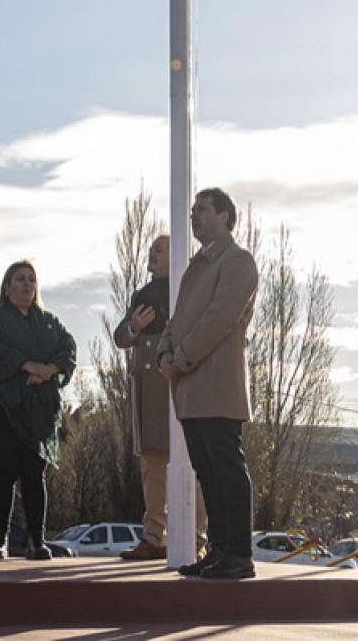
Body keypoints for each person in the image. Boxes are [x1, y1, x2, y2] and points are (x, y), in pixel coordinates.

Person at [159, 187, 259, 580]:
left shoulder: (237, 261)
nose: (194, 216)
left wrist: (180, 358)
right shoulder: (195, 267)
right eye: (193, 210)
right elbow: (177, 318)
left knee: (227, 468)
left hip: (216, 385)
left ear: (225, 217)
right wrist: (164, 353)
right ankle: (219, 550)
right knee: (208, 471)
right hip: (189, 386)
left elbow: (220, 319)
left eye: (202, 210)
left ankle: (239, 554)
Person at [0, 259, 76, 561]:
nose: (27, 284)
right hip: (2, 405)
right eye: (19, 279)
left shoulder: (48, 321)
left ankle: (36, 540)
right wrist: (25, 364)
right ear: (6, 287)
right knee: (5, 469)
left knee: (34, 473)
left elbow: (68, 346)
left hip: (39, 409)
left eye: (31, 279)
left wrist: (49, 369)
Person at [113, 233, 203, 561]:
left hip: (182, 381)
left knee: (193, 460)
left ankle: (196, 538)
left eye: (160, 249)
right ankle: (154, 537)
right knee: (152, 462)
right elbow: (121, 337)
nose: (152, 253)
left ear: (177, 254)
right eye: (151, 249)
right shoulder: (141, 294)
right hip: (149, 387)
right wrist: (135, 325)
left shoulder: (191, 287)